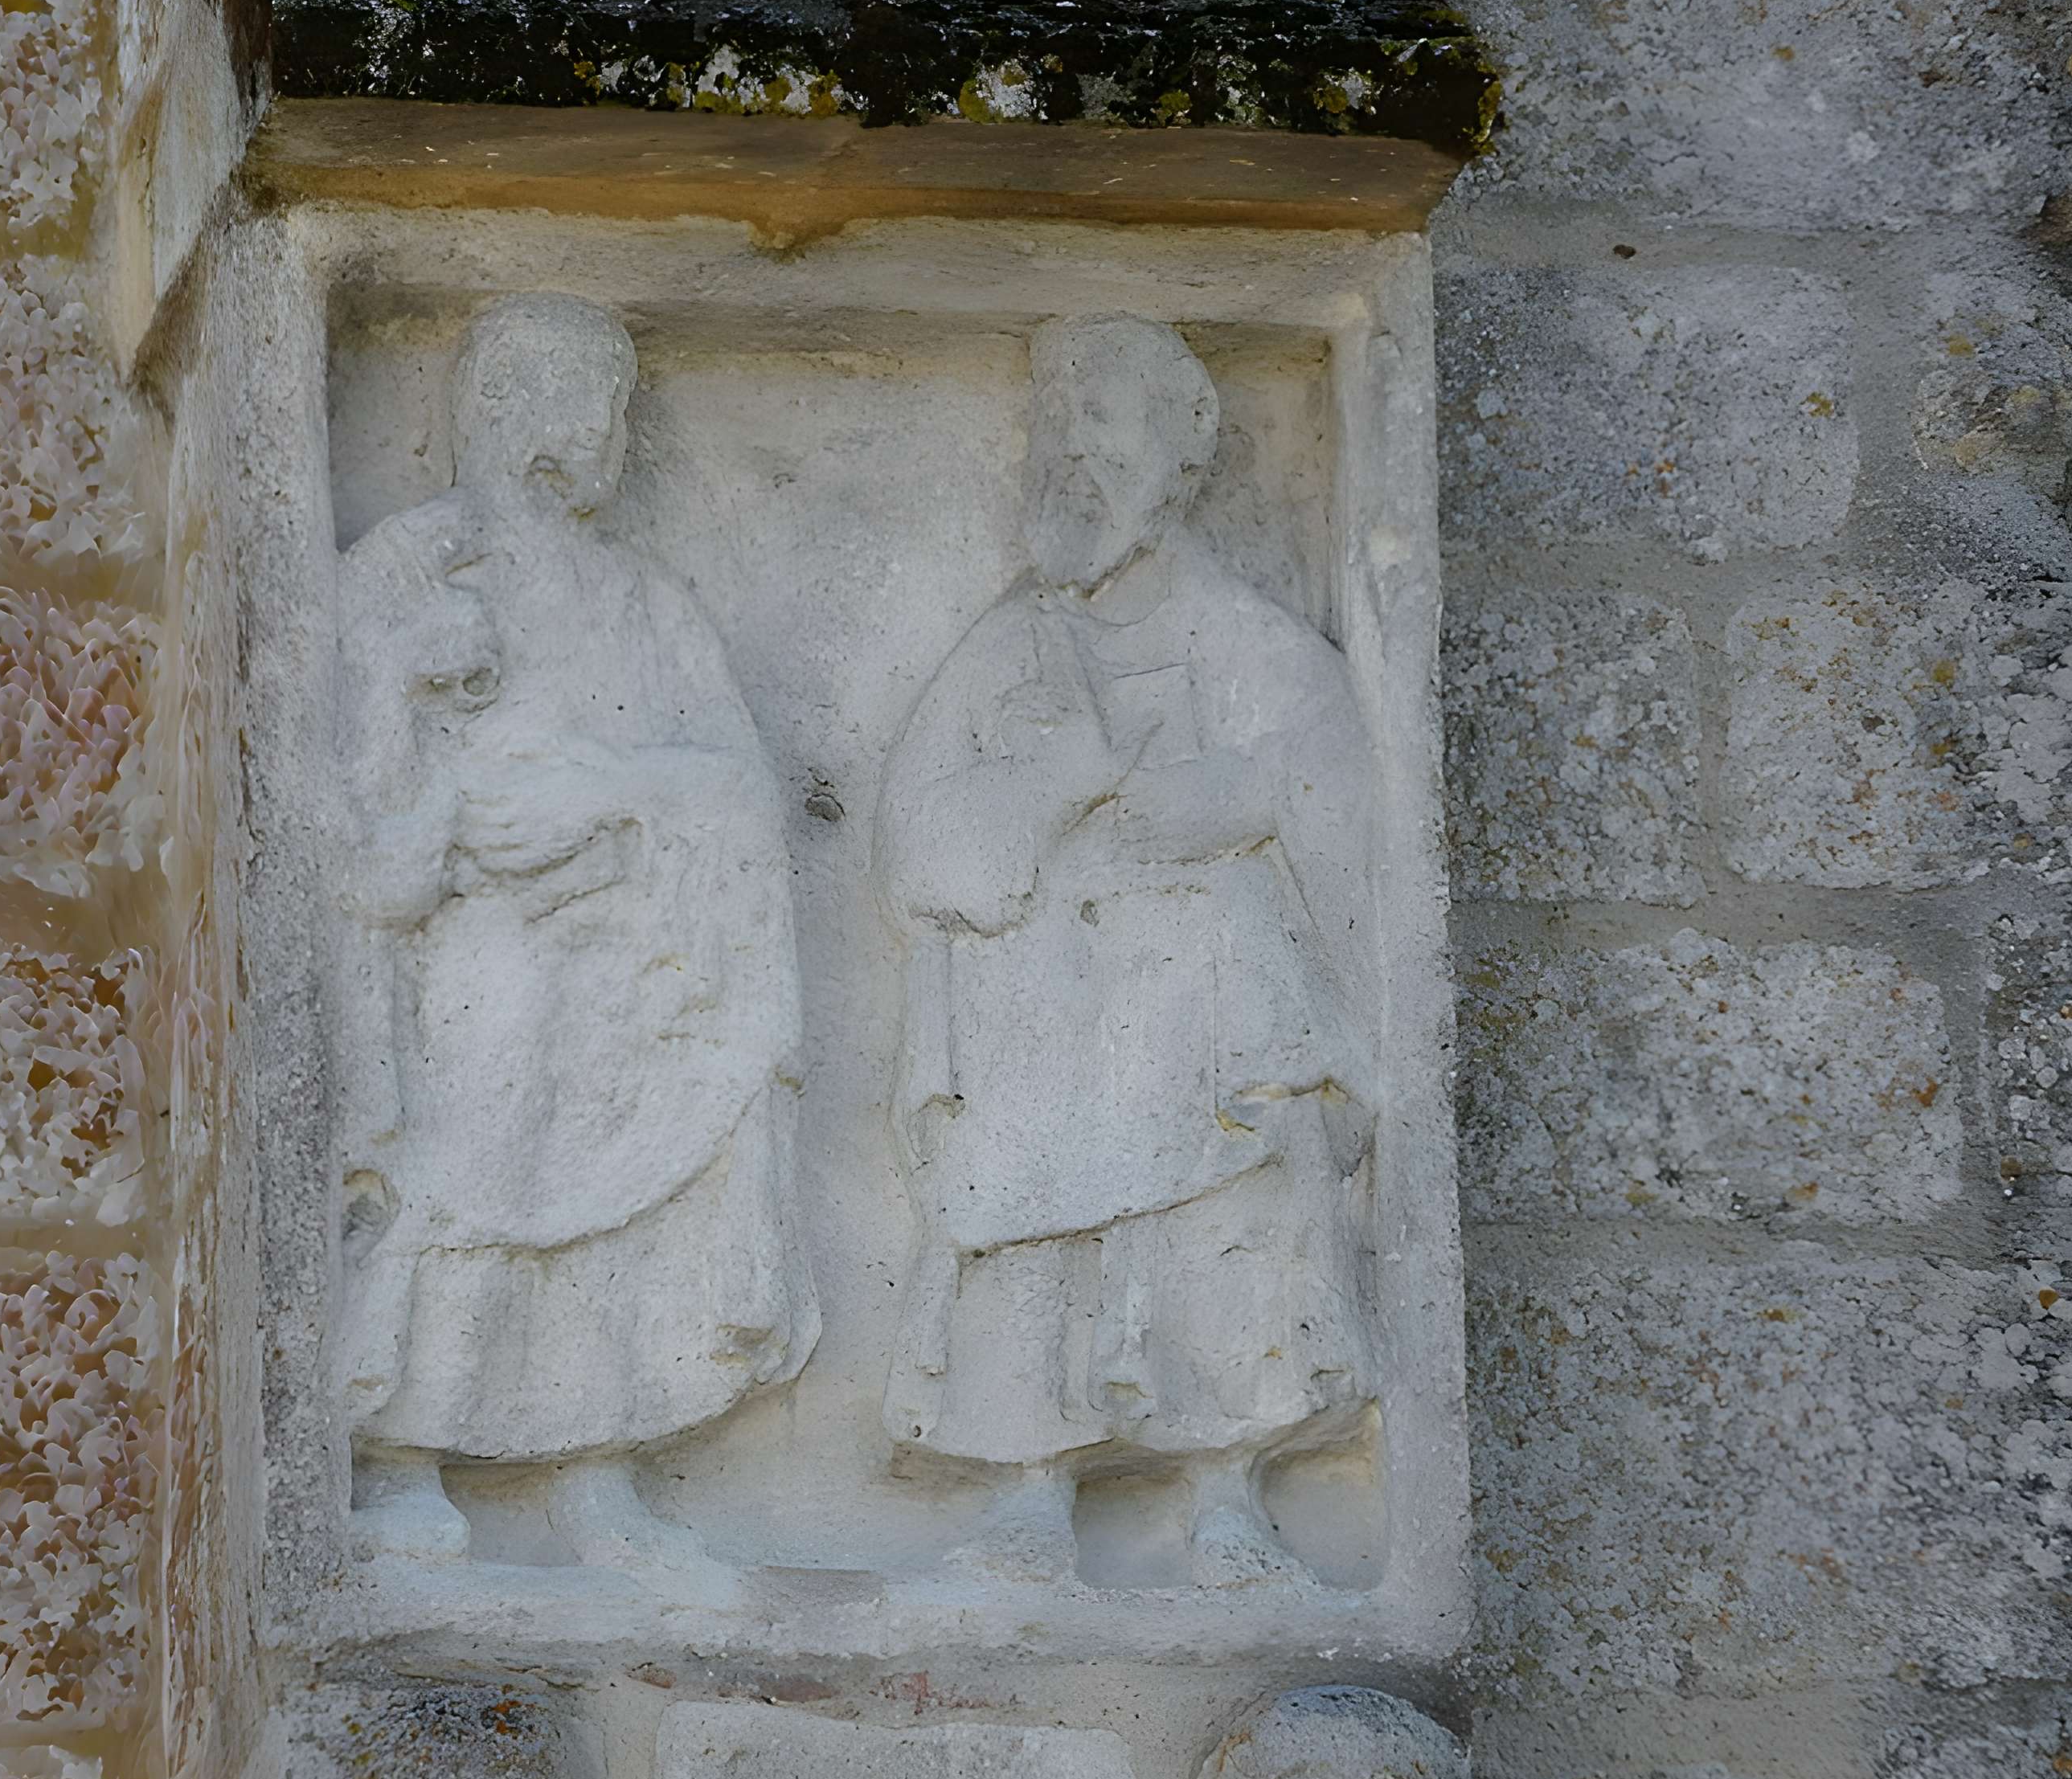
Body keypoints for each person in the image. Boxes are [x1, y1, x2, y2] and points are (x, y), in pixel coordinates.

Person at [875, 313, 1381, 1583]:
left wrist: (1256, 800)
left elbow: (1346, 821)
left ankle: (1225, 1498)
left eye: (1104, 424)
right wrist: (1045, 791)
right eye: (1058, 428)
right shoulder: (1006, 652)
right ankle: (1028, 1502)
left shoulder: (1260, 650)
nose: (1072, 457)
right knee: (1029, 1194)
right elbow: (913, 843)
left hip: (1206, 1020)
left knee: (1239, 1170)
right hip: (1039, 1019)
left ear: (1185, 458)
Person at [330, 292, 815, 1581]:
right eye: (569, 401)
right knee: (478, 1161)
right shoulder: (414, 568)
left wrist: (610, 783)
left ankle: (597, 1467)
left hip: (625, 946)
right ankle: (402, 1453)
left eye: (605, 407)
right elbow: (338, 756)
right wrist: (426, 736)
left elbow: (732, 783)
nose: (592, 433)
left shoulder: (641, 599)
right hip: (477, 936)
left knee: (626, 1179)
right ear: (493, 411)